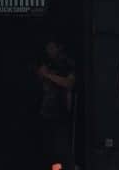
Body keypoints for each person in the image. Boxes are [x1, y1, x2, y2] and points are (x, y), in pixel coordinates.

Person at [37, 39, 75, 170]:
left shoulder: (67, 64)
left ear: (59, 48)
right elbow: (40, 77)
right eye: (47, 48)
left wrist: (48, 75)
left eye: (52, 47)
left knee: (61, 148)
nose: (49, 50)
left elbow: (69, 83)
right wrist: (42, 74)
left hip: (60, 111)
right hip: (46, 111)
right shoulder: (47, 63)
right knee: (48, 149)